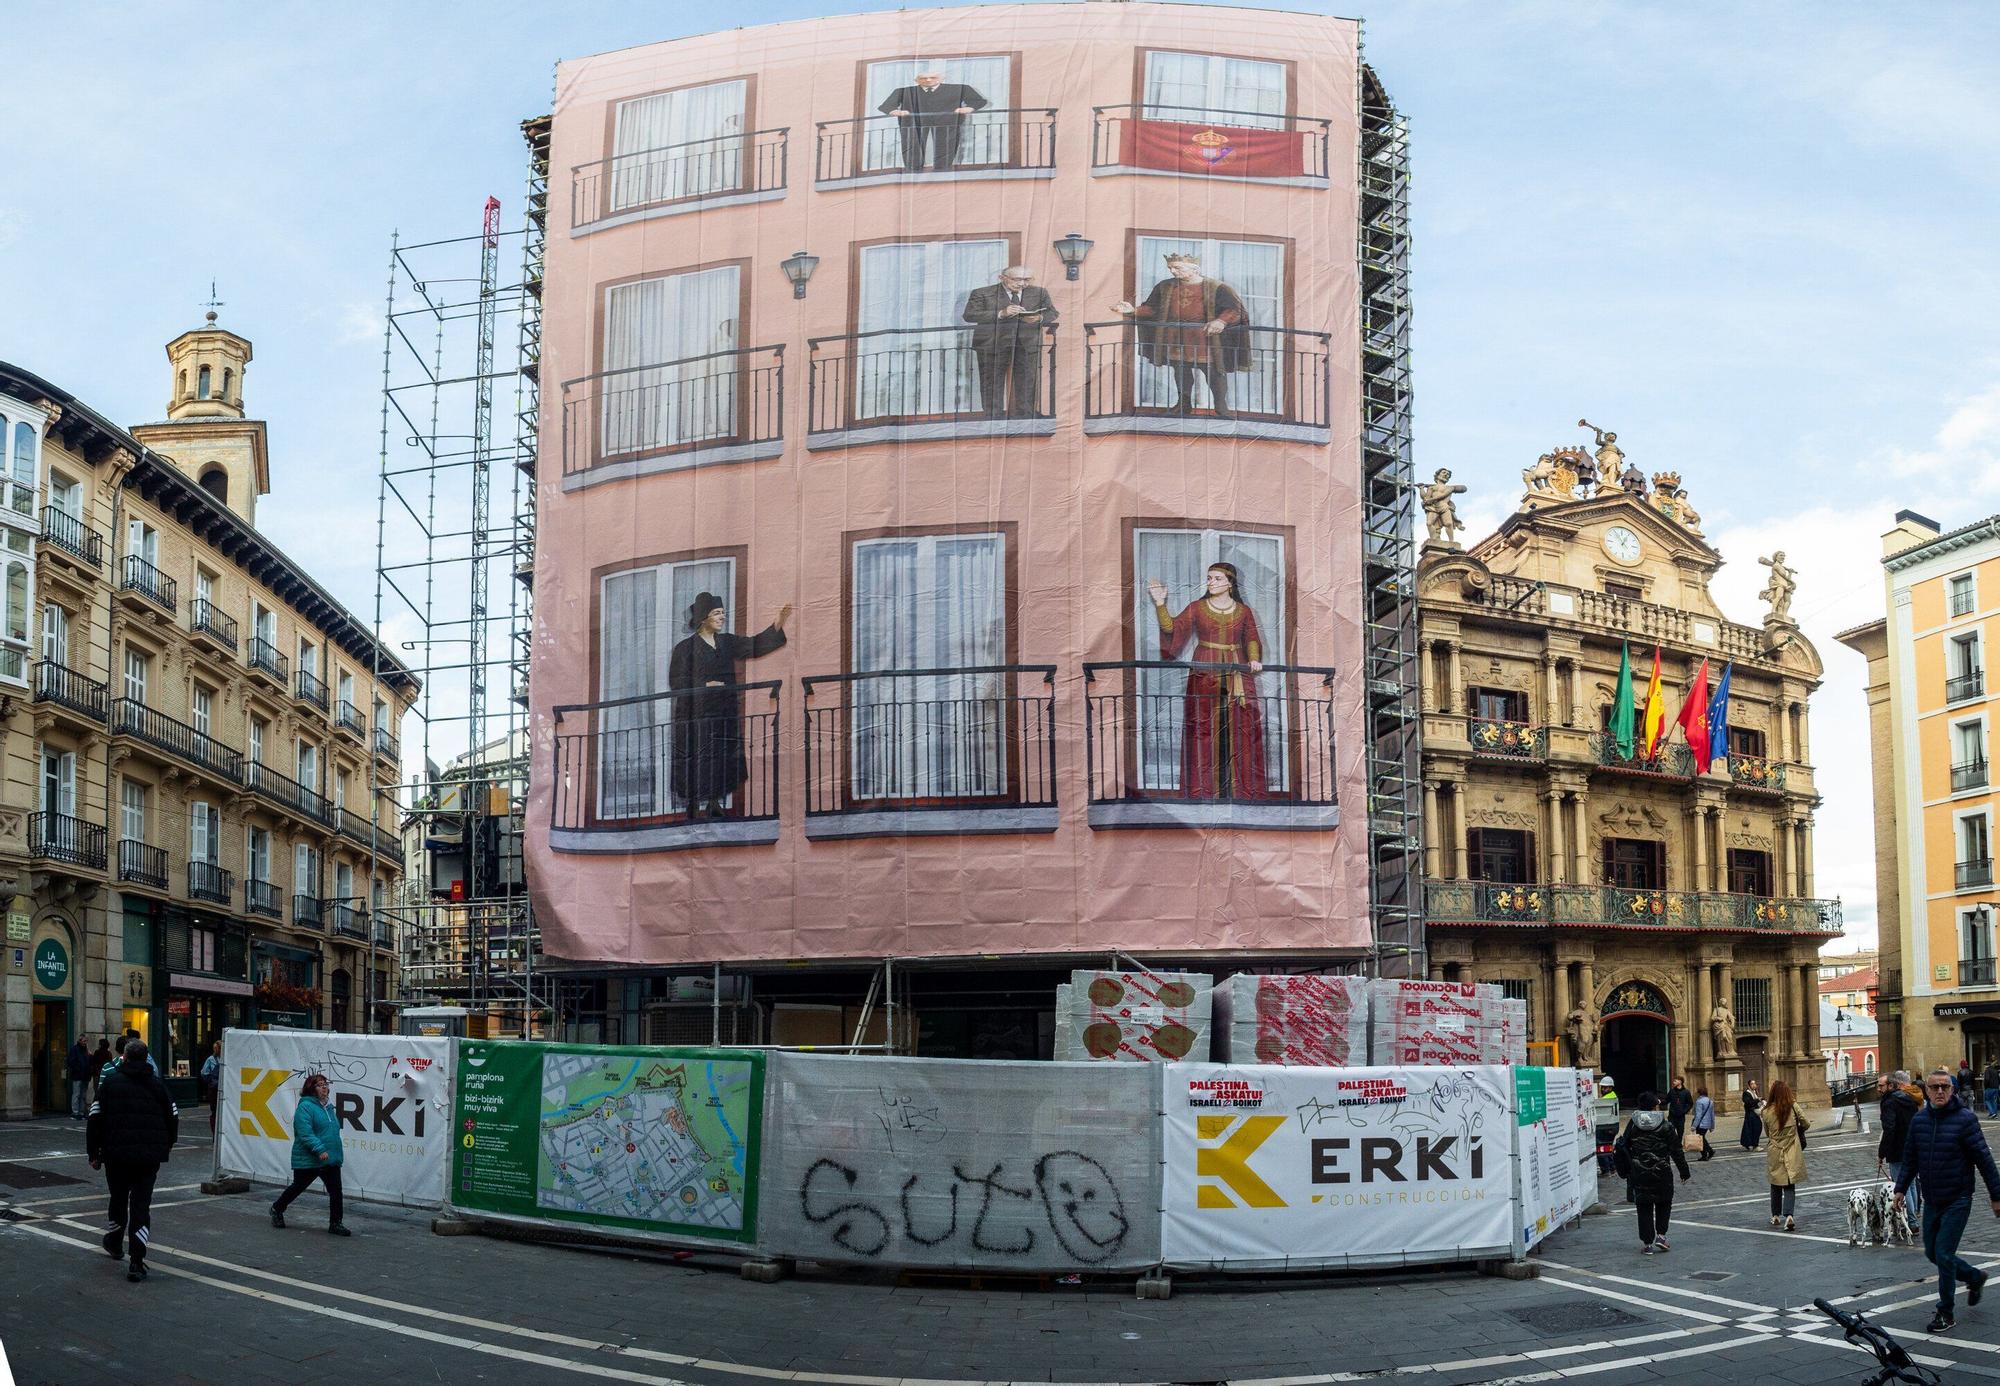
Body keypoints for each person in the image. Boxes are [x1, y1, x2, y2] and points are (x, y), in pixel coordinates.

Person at [1147, 563, 1269, 800]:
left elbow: (1252, 638)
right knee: (1203, 727)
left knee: (1239, 728)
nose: (1210, 582)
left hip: (1237, 675)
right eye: (1209, 578)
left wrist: (1253, 659)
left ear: (1230, 583)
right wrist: (1160, 603)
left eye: (1216, 579)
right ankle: (1203, 790)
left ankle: (1240, 791)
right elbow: (1172, 628)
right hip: (1205, 671)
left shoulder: (1243, 612)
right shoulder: (1198, 608)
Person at [1893, 1067, 2000, 1335]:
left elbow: (1984, 1160)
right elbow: (1910, 1159)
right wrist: (1899, 1189)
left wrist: (1996, 1195)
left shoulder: (1965, 1120)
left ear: (1952, 1090)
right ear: (1927, 1090)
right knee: (1932, 1253)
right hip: (1932, 1199)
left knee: (1942, 1253)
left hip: (1958, 1198)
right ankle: (1975, 1277)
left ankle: (1946, 1311)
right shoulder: (1919, 1122)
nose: (1940, 1091)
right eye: (1934, 1087)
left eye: (1945, 1087)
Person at [665, 594, 790, 818]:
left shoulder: (726, 642)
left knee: (720, 757)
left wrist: (778, 623)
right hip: (694, 715)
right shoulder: (685, 648)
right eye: (717, 613)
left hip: (723, 712)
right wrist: (704, 684)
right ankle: (693, 804)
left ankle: (714, 802)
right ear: (703, 618)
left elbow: (754, 645)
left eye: (723, 613)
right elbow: (677, 680)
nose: (722, 617)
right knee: (695, 757)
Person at [1112, 254, 1252, 419]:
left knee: (1214, 372)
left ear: (1194, 269)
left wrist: (1221, 321)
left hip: (1205, 339)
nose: (1173, 271)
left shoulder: (1217, 287)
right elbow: (1152, 309)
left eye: (1177, 268)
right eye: (1170, 268)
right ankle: (1183, 404)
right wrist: (1133, 310)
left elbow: (1235, 310)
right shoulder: (1165, 286)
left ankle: (1221, 407)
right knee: (1180, 370)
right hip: (1175, 337)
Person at [85, 1039, 178, 1282]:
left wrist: (93, 1153)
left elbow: (94, 1118)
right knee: (140, 1206)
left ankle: (115, 1242)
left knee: (118, 1199)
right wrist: (166, 1144)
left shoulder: (110, 1084)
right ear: (146, 1059)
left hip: (116, 1155)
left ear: (124, 1058)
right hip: (148, 1157)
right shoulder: (158, 1086)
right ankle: (137, 1260)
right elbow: (173, 1116)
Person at [962, 267, 1057, 418]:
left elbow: (1052, 312)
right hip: (992, 344)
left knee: (1027, 379)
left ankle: (1026, 415)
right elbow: (969, 315)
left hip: (1026, 343)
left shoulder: (1039, 292)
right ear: (1002, 278)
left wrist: (1039, 318)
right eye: (1017, 279)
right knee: (992, 382)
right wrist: (1001, 313)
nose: (1022, 284)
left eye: (1027, 280)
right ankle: (993, 418)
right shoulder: (982, 293)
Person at [270, 1072, 350, 1236]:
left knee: (336, 1191)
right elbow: (305, 1133)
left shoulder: (328, 1107)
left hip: (329, 1159)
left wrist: (335, 1152)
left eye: (325, 1084)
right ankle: (277, 1209)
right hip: (310, 1157)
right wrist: (319, 1149)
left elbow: (332, 1132)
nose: (324, 1088)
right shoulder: (305, 1107)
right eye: (320, 1085)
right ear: (311, 1089)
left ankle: (336, 1223)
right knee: (298, 1187)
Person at [1613, 1092, 1690, 1254]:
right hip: (1662, 1170)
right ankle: (1661, 1236)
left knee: (1644, 1207)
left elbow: (1623, 1146)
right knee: (1664, 1203)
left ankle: (1647, 1243)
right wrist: (1684, 1171)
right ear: (1655, 1106)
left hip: (1639, 1171)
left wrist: (1626, 1168)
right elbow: (1676, 1150)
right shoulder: (1666, 1125)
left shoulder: (1632, 1125)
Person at [877, 65, 989, 172]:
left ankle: (942, 171)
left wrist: (968, 108)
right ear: (917, 80)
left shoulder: (959, 88)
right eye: (923, 78)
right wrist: (896, 111)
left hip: (947, 123)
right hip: (913, 123)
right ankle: (913, 172)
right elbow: (885, 106)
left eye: (933, 77)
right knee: (912, 146)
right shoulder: (903, 91)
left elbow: (979, 101)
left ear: (941, 78)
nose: (928, 80)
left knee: (945, 146)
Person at [1764, 1079, 1809, 1232]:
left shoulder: (1766, 1111)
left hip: (1775, 1150)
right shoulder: (1793, 1106)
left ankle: (1775, 1215)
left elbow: (1767, 1132)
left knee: (1775, 1182)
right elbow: (1806, 1123)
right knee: (1790, 1183)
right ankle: (1789, 1216)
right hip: (1792, 1149)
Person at [66, 1033, 94, 1120]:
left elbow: (90, 1062)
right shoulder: (74, 1049)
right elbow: (71, 1062)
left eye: (86, 1041)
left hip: (85, 1075)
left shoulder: (86, 1050)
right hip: (78, 1075)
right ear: (80, 1041)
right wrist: (78, 1069)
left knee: (83, 1095)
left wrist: (91, 1056)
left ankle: (81, 1112)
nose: (85, 1043)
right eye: (84, 1041)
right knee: (77, 1094)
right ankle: (75, 1112)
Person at [200, 1040, 222, 1133]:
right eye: (214, 1048)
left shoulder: (217, 1059)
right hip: (214, 1090)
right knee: (214, 1112)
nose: (215, 1050)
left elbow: (204, 1073)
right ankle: (215, 1133)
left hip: (217, 1088)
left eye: (216, 1048)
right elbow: (204, 1073)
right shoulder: (211, 1059)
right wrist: (211, 1081)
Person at [1691, 1087, 1716, 1162]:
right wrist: (1712, 1126)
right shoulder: (1710, 1101)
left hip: (1700, 1124)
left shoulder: (1699, 1101)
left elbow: (1698, 1115)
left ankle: (1709, 1151)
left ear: (1699, 1093)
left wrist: (1694, 1126)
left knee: (1700, 1139)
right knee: (1701, 1138)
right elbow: (1712, 1114)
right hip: (1707, 1123)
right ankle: (1704, 1155)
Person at [1666, 1077, 1694, 1141]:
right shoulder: (1671, 1091)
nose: (1673, 1082)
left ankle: (1678, 1146)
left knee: (1680, 1132)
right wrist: (1658, 1101)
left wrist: (1684, 1111)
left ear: (1680, 1082)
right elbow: (1666, 1100)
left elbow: (1690, 1103)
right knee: (1671, 1131)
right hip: (1672, 1115)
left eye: (1675, 1081)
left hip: (1681, 1116)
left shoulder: (1686, 1092)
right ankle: (1673, 1146)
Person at [1739, 1078, 1764, 1151]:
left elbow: (1756, 1102)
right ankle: (1754, 1145)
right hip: (1750, 1114)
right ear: (1749, 1085)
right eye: (1752, 1084)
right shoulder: (1746, 1093)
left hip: (1755, 1113)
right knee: (1753, 1129)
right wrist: (1757, 1100)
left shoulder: (1755, 1092)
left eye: (1754, 1083)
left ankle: (1751, 1144)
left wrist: (1761, 1102)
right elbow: (1748, 1102)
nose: (1754, 1085)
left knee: (1753, 1129)